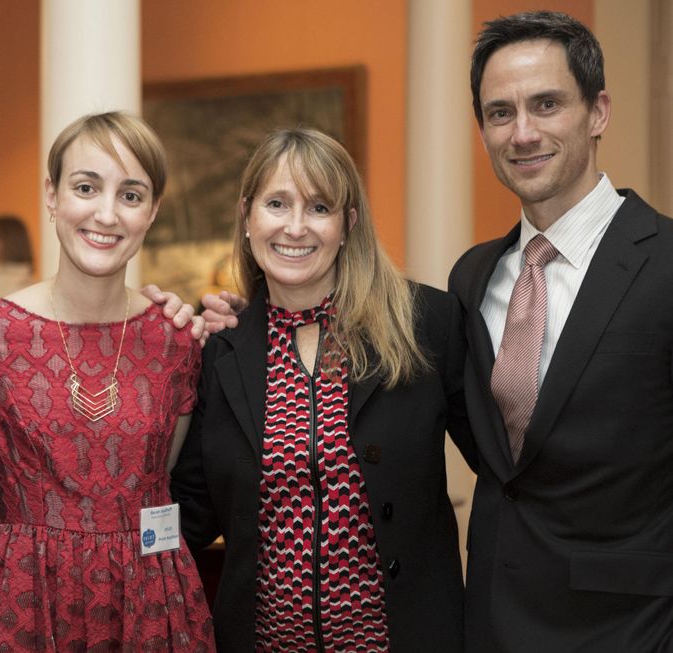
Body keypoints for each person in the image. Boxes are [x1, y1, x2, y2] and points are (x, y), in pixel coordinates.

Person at [172, 128, 475, 651]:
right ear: (247, 218)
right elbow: (190, 515)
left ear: (347, 224)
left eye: (318, 207)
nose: (295, 227)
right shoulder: (221, 352)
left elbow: (502, 470)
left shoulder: (425, 324)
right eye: (276, 203)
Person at [0, 111, 216, 652]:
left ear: (153, 211)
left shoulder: (176, 340)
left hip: (151, 604)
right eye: (86, 187)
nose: (106, 213)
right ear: (52, 195)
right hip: (24, 603)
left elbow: (160, 484)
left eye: (131, 194)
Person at [448, 11, 673, 651]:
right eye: (499, 112)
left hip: (632, 627)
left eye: (546, 104)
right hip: (492, 616)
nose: (523, 133)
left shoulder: (667, 264)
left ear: (597, 111)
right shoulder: (472, 278)